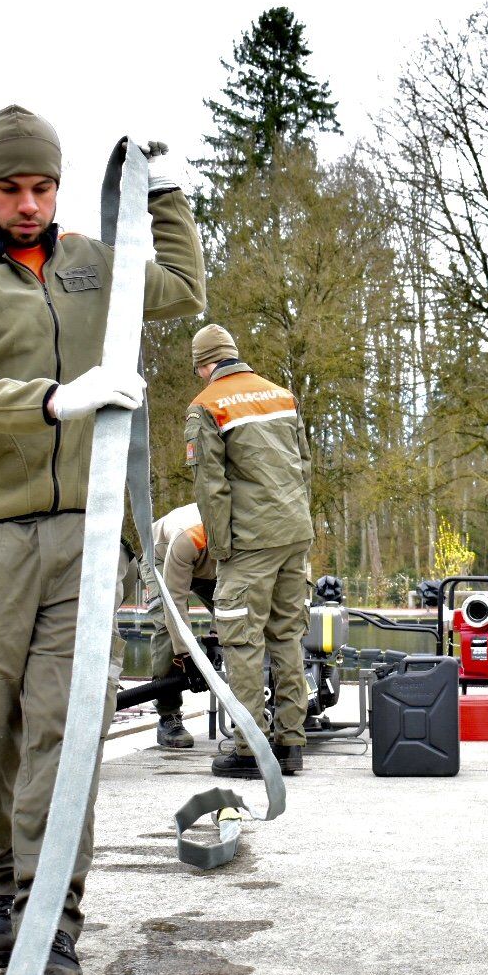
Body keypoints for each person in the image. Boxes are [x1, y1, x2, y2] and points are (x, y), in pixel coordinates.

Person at [0, 105, 204, 975]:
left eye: (42, 188)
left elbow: (183, 294)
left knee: (66, 732)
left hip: (82, 536)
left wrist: (170, 194)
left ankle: (53, 922)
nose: (29, 204)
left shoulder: (86, 264)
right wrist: (52, 400)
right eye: (11, 189)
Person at [186, 324, 315, 779]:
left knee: (241, 640)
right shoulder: (282, 396)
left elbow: (211, 486)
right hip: (294, 532)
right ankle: (291, 743)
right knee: (286, 635)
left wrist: (221, 548)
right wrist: (299, 521)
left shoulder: (207, 405)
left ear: (204, 365)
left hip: (250, 540)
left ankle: (249, 749)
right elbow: (303, 464)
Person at [145, 502, 214, 748]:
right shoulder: (190, 536)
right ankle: (168, 716)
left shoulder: (247, 536)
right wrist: (186, 655)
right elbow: (174, 605)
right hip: (161, 556)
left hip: (208, 566)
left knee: (242, 619)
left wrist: (216, 638)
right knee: (166, 627)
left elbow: (239, 598)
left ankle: (252, 708)